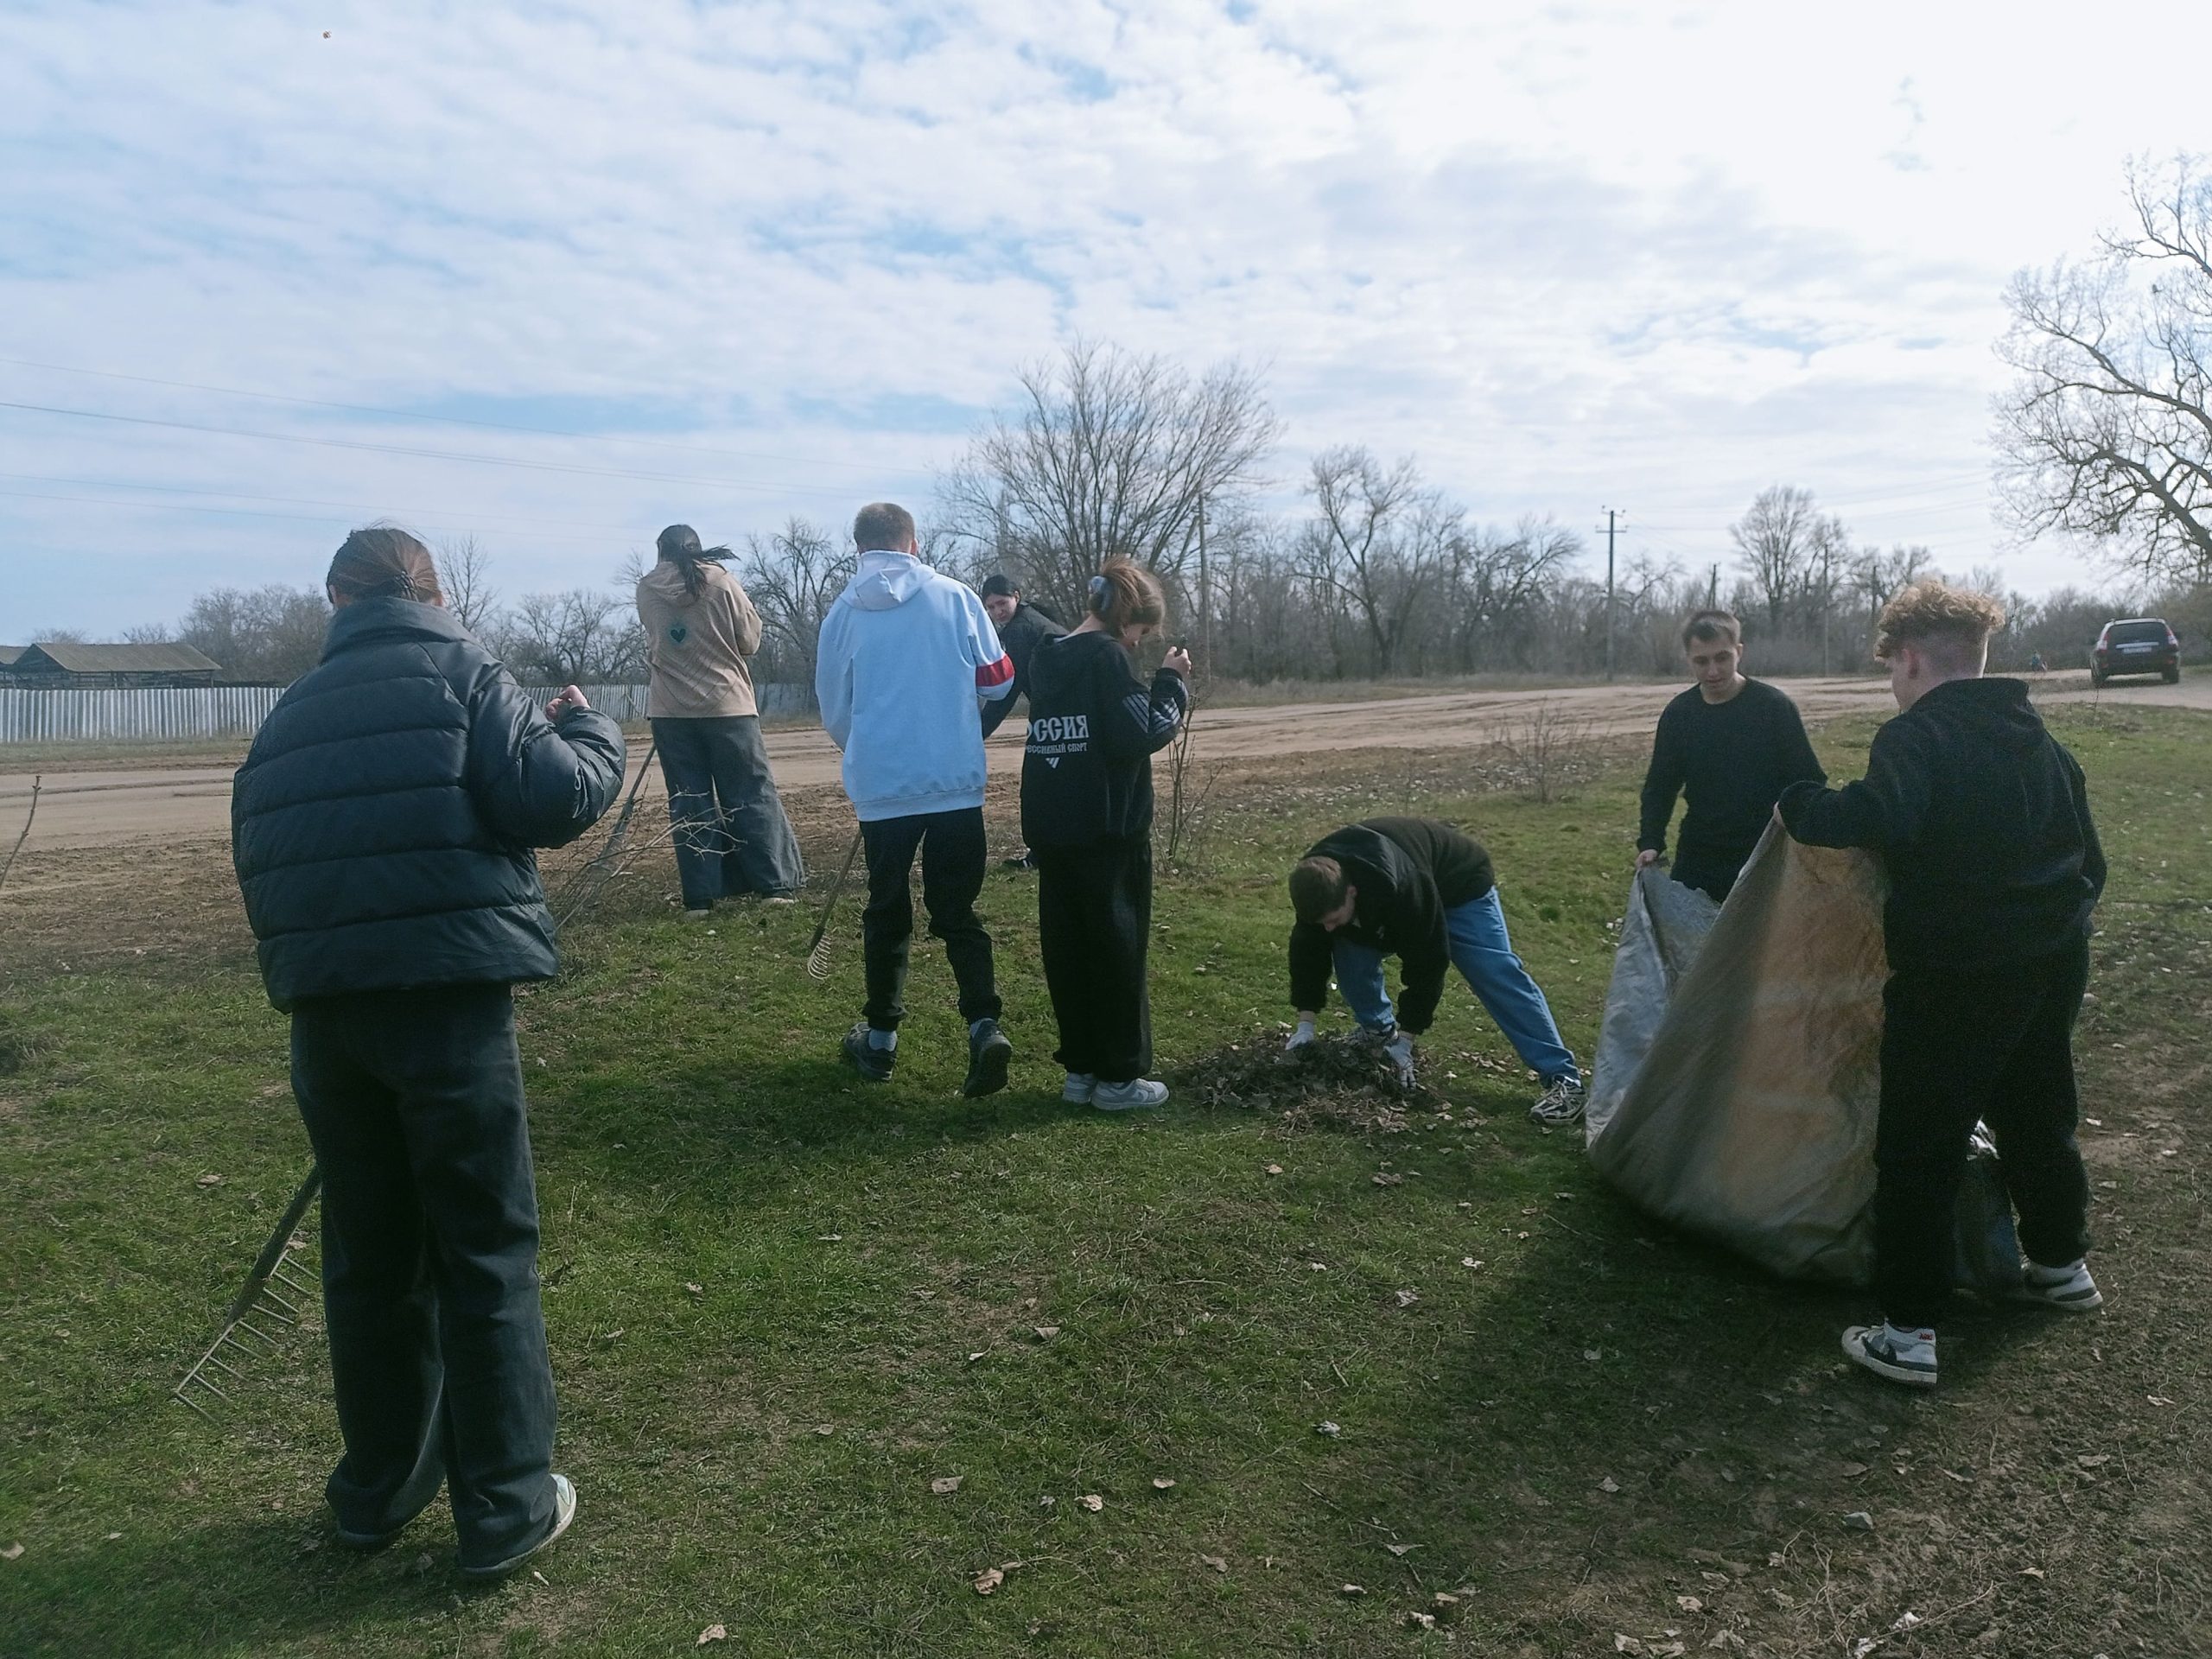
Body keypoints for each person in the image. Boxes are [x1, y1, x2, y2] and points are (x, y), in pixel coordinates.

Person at [231, 527, 626, 1577]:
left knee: (369, 1260)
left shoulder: (290, 712)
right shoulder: (466, 674)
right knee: (482, 1250)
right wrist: (592, 729)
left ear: (336, 599)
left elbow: (257, 852)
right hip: (447, 1005)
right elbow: (551, 798)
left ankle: (380, 1486)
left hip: (328, 1017)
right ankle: (505, 1505)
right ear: (436, 593)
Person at [1777, 581, 2106, 1390]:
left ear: (1912, 659)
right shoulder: (2039, 738)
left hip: (1959, 974)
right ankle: (2061, 1266)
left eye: (1893, 667)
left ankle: (1908, 1330)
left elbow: (1879, 815)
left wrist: (1801, 803)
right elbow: (2092, 861)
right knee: (2038, 1108)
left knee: (1920, 1143)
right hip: (2052, 960)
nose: (1893, 683)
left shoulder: (1917, 736)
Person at [816, 502, 1019, 1096]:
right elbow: (1000, 680)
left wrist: (869, 752)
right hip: (954, 781)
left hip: (883, 788)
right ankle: (984, 1026)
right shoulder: (956, 598)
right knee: (957, 911)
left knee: (886, 909)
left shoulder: (843, 613)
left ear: (859, 548)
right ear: (914, 543)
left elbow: (834, 707)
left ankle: (880, 1041)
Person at [1019, 561, 1192, 1109]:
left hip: (1054, 829)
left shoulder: (1046, 656)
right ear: (1126, 620)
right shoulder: (1108, 658)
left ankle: (1081, 1071)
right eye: (1141, 633)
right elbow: (1142, 732)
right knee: (1117, 952)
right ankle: (1118, 1080)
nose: (1139, 643)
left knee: (1069, 952)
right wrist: (1171, 682)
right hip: (1108, 831)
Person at [1283, 817, 1586, 1123]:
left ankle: (1564, 1080)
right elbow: (1309, 951)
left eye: (1333, 918)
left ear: (1351, 892)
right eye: (1322, 922)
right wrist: (1306, 1026)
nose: (1327, 927)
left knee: (1495, 973)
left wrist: (1407, 1041)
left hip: (1460, 886)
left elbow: (1427, 962)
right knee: (1348, 950)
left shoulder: (1402, 886)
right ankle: (1378, 1032)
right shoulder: (1316, 885)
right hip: (1394, 888)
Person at [635, 524, 805, 915]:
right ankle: (773, 885)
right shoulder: (722, 582)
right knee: (749, 794)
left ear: (660, 551)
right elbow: (750, 641)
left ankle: (701, 898)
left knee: (689, 802)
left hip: (671, 711)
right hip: (728, 707)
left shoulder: (646, 589)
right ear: (698, 549)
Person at [1637, 609, 1827, 902]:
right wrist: (1651, 841)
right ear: (1688, 660)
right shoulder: (1679, 715)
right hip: (1699, 857)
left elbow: (1809, 780)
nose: (1713, 671)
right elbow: (1660, 786)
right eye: (1702, 661)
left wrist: (1795, 820)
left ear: (1739, 652)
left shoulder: (1773, 708)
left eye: (1722, 658)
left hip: (1765, 855)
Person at [978, 573, 1069, 871]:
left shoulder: (1020, 630)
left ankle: (1040, 855)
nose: (997, 612)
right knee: (1058, 785)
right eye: (990, 607)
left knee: (1039, 787)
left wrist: (976, 733)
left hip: (1059, 715)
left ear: (1016, 596)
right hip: (1065, 711)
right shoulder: (1033, 619)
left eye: (1001, 603)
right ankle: (1053, 851)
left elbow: (1007, 691)